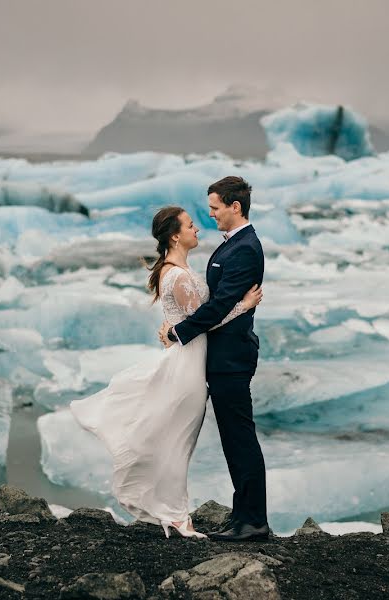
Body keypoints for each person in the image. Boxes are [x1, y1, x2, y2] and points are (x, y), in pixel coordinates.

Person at [69, 203, 262, 539]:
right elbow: (206, 320)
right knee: (176, 442)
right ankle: (175, 514)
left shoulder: (177, 271)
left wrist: (173, 328)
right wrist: (243, 306)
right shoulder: (178, 274)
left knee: (176, 440)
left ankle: (172, 511)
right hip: (187, 368)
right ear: (175, 235)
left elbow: (191, 317)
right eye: (189, 225)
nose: (197, 228)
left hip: (191, 363)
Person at [158, 176, 270, 542]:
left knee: (240, 437)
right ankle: (243, 517)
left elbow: (220, 305)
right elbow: (213, 302)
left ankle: (252, 521)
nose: (211, 215)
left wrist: (179, 332)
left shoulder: (244, 248)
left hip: (231, 357)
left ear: (234, 207)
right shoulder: (232, 245)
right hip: (222, 356)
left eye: (215, 208)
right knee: (234, 439)